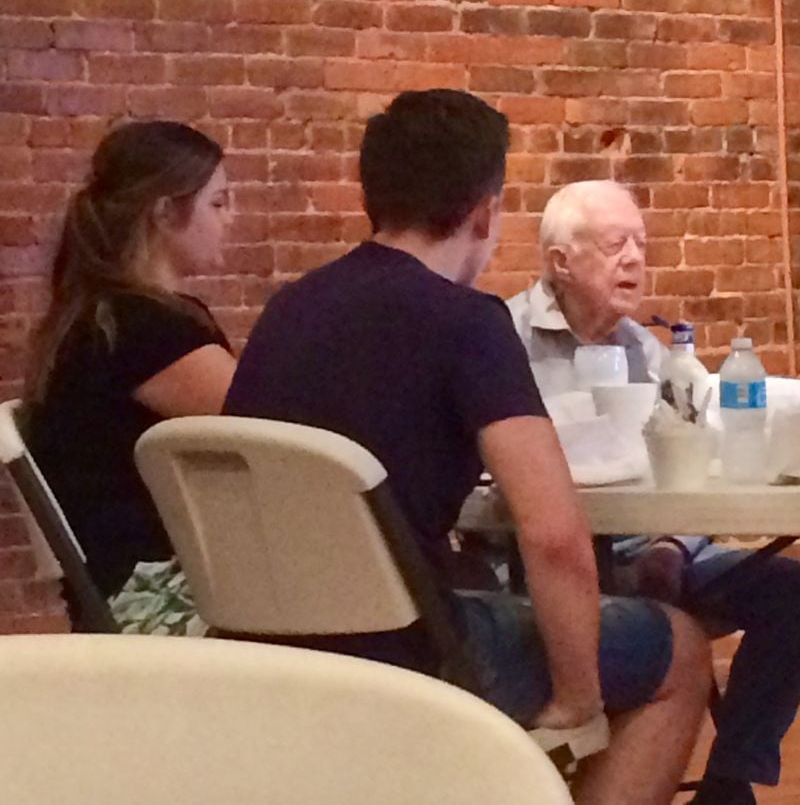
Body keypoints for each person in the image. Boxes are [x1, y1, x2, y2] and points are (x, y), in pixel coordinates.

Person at [226, 89, 710, 805]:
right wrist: (578, 701)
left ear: (373, 196)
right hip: (414, 651)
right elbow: (552, 535)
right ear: (485, 211)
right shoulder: (468, 322)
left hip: (262, 645)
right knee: (683, 648)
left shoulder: (287, 309)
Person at [507, 179, 800, 805]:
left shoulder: (646, 349)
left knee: (793, 592)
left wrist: (673, 543)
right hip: (548, 564)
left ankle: (727, 781)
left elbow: (682, 469)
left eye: (640, 243)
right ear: (561, 260)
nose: (636, 259)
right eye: (616, 245)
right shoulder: (505, 340)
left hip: (649, 552)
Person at [23, 120, 236, 632]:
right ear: (164, 211)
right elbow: (276, 431)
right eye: (219, 203)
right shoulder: (145, 330)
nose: (233, 219)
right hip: (149, 599)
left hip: (117, 590)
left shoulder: (99, 315)